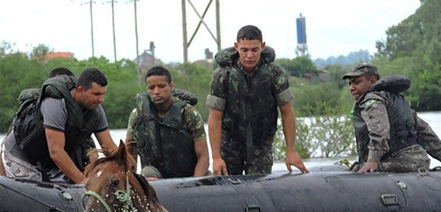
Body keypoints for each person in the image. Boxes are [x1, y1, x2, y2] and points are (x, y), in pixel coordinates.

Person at [206, 25, 308, 176]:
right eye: (244, 50)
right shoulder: (222, 75)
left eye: (254, 50)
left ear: (262, 46)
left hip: (261, 144)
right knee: (228, 190)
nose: (249, 56)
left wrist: (290, 150)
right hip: (230, 144)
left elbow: (287, 113)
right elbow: (215, 118)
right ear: (236, 47)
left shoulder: (275, 73)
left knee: (259, 187)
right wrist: (216, 157)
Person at [343, 63, 441, 173]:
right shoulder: (398, 100)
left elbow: (379, 130)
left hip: (397, 164)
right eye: (349, 84)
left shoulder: (372, 100)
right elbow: (424, 132)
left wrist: (373, 160)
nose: (351, 88)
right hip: (419, 162)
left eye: (356, 82)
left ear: (373, 81)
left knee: (355, 169)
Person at [0, 67, 117, 184]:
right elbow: (56, 151)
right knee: (36, 194)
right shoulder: (55, 104)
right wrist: (84, 183)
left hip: (48, 160)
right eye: (96, 94)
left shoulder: (95, 109)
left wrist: (128, 171)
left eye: (103, 94)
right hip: (22, 155)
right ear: (81, 90)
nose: (101, 99)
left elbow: (109, 148)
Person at [125, 66, 209, 179]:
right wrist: (132, 180)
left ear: (171, 86)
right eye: (151, 88)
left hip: (189, 174)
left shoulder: (189, 114)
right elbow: (129, 151)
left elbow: (203, 156)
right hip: (153, 176)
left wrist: (195, 182)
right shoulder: (137, 115)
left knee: (211, 179)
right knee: (148, 173)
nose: (156, 92)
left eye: (161, 86)